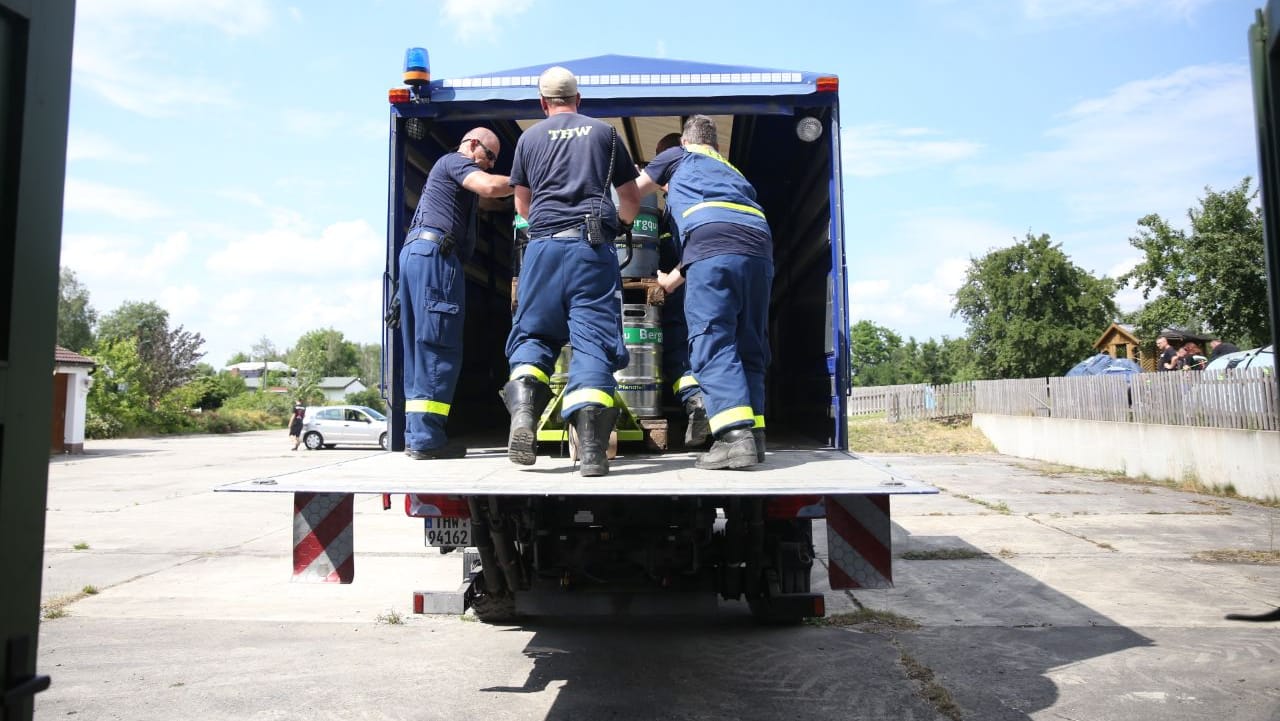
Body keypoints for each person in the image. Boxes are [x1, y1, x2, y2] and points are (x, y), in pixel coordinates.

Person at [504, 66, 640, 477]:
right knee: (593, 343)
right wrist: (623, 225)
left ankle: (525, 409)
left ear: (543, 103)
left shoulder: (527, 139)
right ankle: (594, 453)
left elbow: (522, 209)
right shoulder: (605, 134)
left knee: (534, 334)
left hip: (542, 249)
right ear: (579, 99)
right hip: (590, 248)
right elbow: (631, 198)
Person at [635, 114, 772, 470]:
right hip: (759, 249)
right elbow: (717, 234)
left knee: (713, 340)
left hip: (714, 247)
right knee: (749, 344)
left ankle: (733, 438)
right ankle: (755, 436)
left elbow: (632, 194)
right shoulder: (730, 170)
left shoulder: (679, 156)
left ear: (685, 141)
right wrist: (674, 279)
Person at [399, 128, 513, 460]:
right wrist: (530, 177)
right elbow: (490, 186)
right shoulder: (456, 162)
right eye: (489, 156)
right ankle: (427, 438)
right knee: (438, 347)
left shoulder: (448, 178)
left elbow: (490, 200)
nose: (490, 165)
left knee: (420, 350)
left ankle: (416, 433)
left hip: (417, 256)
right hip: (436, 258)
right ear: (473, 145)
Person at [651, 132, 710, 448]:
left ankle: (694, 400)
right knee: (713, 347)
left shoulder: (675, 202)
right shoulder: (710, 187)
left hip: (681, 286)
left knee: (677, 346)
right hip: (711, 284)